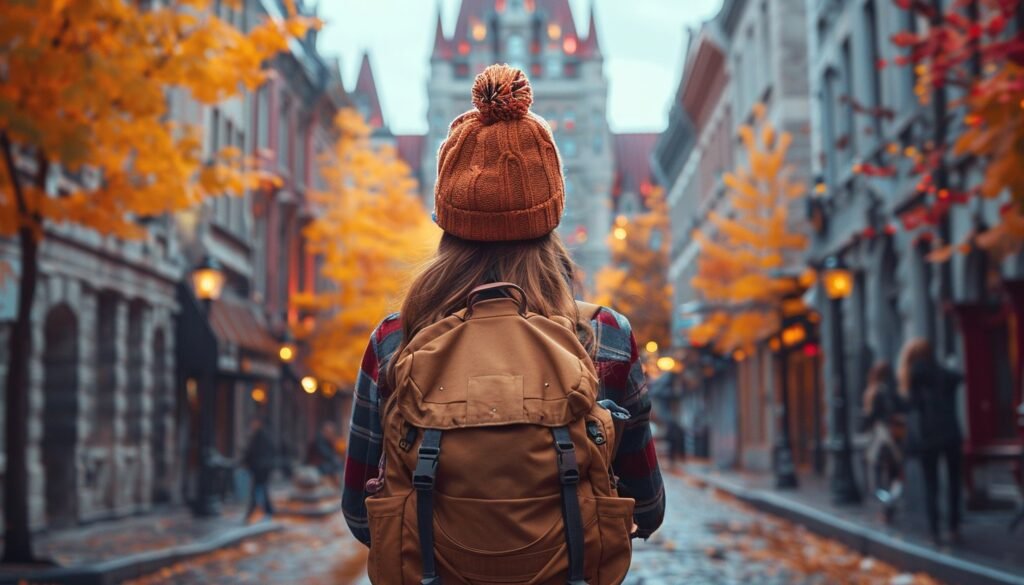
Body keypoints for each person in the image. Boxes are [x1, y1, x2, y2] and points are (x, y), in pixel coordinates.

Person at [342, 64, 665, 584]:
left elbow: (361, 516)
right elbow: (645, 508)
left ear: (447, 217)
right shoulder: (605, 335)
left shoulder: (393, 341)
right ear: (551, 215)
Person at [898, 338, 963, 544]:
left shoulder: (913, 375)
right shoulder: (942, 372)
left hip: (928, 436)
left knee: (931, 484)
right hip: (951, 432)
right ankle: (953, 527)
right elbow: (958, 378)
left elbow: (911, 406)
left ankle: (934, 530)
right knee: (954, 482)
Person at [860, 361, 905, 522]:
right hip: (896, 435)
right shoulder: (896, 390)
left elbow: (871, 417)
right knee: (895, 473)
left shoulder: (875, 392)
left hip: (882, 436)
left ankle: (886, 504)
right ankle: (889, 504)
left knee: (878, 474)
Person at [242, 417, 276, 522]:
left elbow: (256, 453)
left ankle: (260, 512)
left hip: (260, 470)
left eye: (254, 423)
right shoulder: (258, 436)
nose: (252, 425)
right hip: (259, 469)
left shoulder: (261, 437)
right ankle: (264, 511)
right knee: (260, 491)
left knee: (259, 491)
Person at [306, 422, 341, 486]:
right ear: (324, 431)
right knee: (333, 466)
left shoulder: (327, 441)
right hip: (316, 466)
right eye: (329, 432)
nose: (331, 434)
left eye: (332, 432)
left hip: (322, 464)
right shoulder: (319, 440)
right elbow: (327, 455)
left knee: (337, 465)